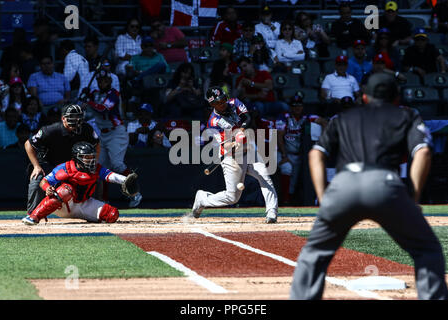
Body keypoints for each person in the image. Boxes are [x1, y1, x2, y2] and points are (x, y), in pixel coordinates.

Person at [289, 73, 448, 300]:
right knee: (427, 250)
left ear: (363, 96)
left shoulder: (344, 117)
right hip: (386, 186)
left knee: (314, 253)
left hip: (343, 186)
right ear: (396, 96)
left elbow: (315, 154)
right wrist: (413, 197)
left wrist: (324, 198)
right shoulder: (407, 115)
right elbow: (422, 152)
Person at [190, 86, 279, 224]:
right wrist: (233, 144)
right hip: (231, 156)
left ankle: (271, 212)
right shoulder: (213, 122)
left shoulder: (234, 103)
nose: (223, 103)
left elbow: (247, 117)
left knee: (264, 177)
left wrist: (240, 132)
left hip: (248, 150)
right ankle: (202, 198)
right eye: (219, 102)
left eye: (223, 99)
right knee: (232, 197)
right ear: (212, 104)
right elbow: (224, 145)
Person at [21, 142, 128, 225]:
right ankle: (34, 216)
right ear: (77, 158)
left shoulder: (96, 168)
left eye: (92, 157)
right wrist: (47, 188)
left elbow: (110, 176)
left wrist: (125, 180)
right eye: (87, 157)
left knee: (112, 214)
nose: (90, 161)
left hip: (85, 203)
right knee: (65, 190)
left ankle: (90, 218)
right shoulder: (66, 167)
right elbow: (44, 181)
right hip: (64, 204)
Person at [24, 104, 99, 216]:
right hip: (48, 165)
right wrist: (36, 166)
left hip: (71, 167)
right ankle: (32, 214)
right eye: (73, 117)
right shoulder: (50, 130)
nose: (77, 120)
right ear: (63, 118)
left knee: (95, 175)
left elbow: (97, 144)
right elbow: (28, 144)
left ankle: (94, 210)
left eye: (79, 117)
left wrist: (93, 162)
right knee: (37, 180)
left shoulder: (87, 129)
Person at [82, 69, 143, 207]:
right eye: (100, 81)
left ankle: (136, 193)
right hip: (103, 134)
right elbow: (86, 103)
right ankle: (104, 201)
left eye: (105, 80)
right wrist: (85, 95)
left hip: (117, 133)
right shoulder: (95, 94)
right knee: (100, 168)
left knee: (117, 165)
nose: (102, 83)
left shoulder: (114, 94)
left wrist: (89, 101)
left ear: (110, 81)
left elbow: (103, 109)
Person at [276, 95, 327, 205]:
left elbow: (323, 122)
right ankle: (285, 201)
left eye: (299, 105)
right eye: (294, 106)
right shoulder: (284, 117)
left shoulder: (307, 117)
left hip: (299, 154)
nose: (297, 108)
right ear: (290, 107)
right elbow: (279, 136)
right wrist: (284, 155)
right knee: (287, 168)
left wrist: (322, 141)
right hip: (284, 152)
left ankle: (290, 200)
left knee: (294, 181)